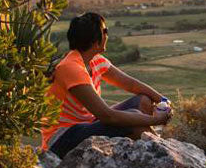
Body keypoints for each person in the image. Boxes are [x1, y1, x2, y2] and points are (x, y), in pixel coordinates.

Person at [41, 12, 171, 158]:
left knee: (143, 101)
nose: (107, 35)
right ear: (96, 40)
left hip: (87, 124)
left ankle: (144, 153)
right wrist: (156, 120)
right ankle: (162, 154)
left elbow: (131, 84)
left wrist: (163, 101)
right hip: (61, 138)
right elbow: (107, 116)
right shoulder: (71, 67)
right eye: (105, 31)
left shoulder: (95, 60)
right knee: (132, 118)